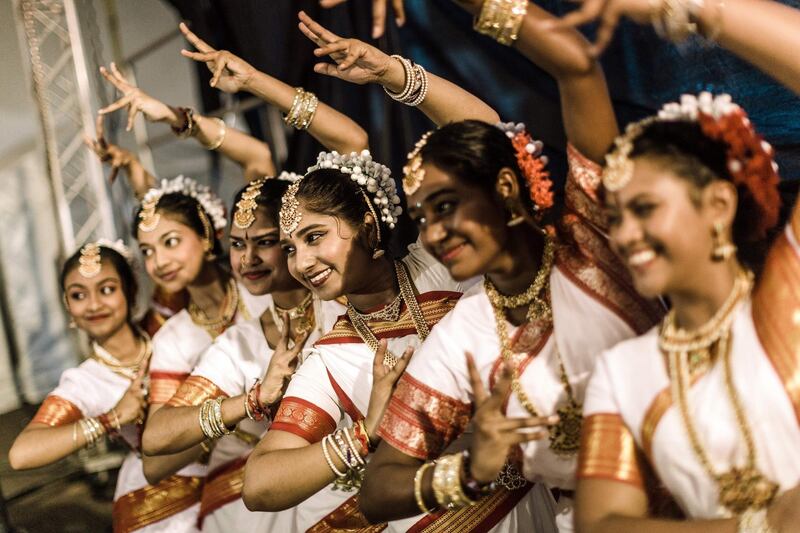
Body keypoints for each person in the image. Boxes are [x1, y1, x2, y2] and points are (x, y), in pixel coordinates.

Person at [301, 3, 659, 531]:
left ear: (506, 188)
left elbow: (576, 69)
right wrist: (469, 472)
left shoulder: (591, 236)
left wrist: (395, 73)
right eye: (422, 216)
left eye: (446, 206)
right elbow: (379, 489)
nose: (434, 231)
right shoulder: (463, 334)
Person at [536, 1, 800, 532]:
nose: (625, 233)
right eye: (615, 215)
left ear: (718, 206)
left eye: (645, 208)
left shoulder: (786, 298)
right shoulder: (625, 370)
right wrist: (757, 525)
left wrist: (682, 6)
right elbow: (603, 522)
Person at [140, 22, 369, 531]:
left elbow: (350, 145)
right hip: (280, 496)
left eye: (267, 242)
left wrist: (252, 85)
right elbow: (154, 445)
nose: (249, 260)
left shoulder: (341, 296)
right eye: (238, 246)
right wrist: (252, 400)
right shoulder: (242, 339)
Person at [8, 241, 202, 533]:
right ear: (68, 307)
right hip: (166, 486)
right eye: (78, 295)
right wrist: (111, 418)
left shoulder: (164, 326)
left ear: (130, 291)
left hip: (231, 454)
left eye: (107, 289)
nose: (94, 305)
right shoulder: (86, 381)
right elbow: (21, 454)